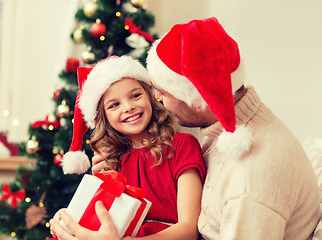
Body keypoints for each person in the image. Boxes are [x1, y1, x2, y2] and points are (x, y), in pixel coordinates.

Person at [93, 17, 322, 239]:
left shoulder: (249, 187)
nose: (157, 99)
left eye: (163, 92)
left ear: (196, 100)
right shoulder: (223, 129)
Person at [50, 55, 206, 240]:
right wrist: (67, 217)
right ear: (104, 117)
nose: (129, 107)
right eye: (114, 105)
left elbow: (188, 229)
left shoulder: (182, 146)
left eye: (135, 96)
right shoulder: (109, 159)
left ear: (150, 97)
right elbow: (102, 221)